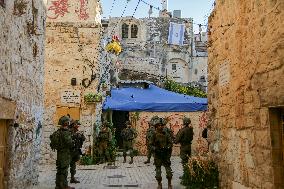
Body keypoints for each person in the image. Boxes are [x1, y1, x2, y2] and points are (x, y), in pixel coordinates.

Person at [50, 116, 74, 189]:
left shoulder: (58, 131)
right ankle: (64, 185)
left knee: (59, 169)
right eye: (68, 121)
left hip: (60, 152)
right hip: (65, 153)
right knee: (64, 169)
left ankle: (58, 185)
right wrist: (73, 142)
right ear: (66, 123)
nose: (69, 122)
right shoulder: (65, 132)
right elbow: (69, 142)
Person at [150, 117, 173, 189]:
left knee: (169, 172)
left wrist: (167, 148)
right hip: (158, 155)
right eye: (158, 125)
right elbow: (150, 144)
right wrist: (155, 149)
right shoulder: (154, 134)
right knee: (158, 172)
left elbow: (170, 143)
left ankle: (169, 184)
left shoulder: (166, 134)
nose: (160, 127)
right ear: (156, 126)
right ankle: (159, 184)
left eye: (161, 125)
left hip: (165, 154)